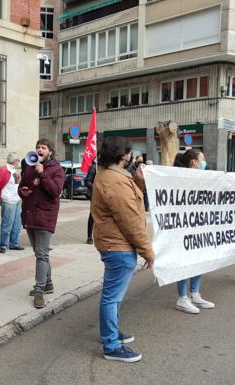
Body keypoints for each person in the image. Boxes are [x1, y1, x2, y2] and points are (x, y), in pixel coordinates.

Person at [92, 136, 154, 363]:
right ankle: (111, 344)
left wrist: (139, 181)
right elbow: (130, 220)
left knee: (113, 297)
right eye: (129, 152)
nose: (131, 156)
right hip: (118, 246)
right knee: (111, 297)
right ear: (123, 155)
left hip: (115, 243)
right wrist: (147, 250)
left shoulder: (112, 175)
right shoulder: (115, 180)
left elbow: (129, 205)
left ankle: (112, 333)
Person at [19, 139, 65, 309]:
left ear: (50, 151)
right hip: (30, 215)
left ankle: (39, 290)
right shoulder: (29, 168)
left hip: (45, 217)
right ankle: (48, 283)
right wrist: (22, 191)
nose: (39, 149)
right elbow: (22, 186)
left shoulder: (56, 169)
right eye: (37, 147)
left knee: (42, 254)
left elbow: (55, 191)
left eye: (43, 147)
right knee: (40, 252)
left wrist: (43, 173)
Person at [172, 149, 215, 313]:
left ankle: (194, 294)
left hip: (200, 226)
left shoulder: (203, 177)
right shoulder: (179, 177)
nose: (204, 162)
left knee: (199, 260)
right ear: (193, 162)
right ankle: (182, 298)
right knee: (184, 262)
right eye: (201, 159)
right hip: (183, 227)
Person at [0, 152, 25, 254]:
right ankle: (3, 245)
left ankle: (14, 243)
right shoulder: (4, 170)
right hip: (8, 200)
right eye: (18, 160)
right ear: (15, 161)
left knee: (17, 223)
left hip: (17, 200)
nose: (19, 162)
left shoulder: (13, 170)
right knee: (7, 224)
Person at [83, 158, 97, 245]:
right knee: (92, 215)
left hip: (105, 195)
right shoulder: (94, 167)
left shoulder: (106, 167)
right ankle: (89, 237)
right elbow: (87, 181)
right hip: (95, 195)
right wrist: (96, 187)